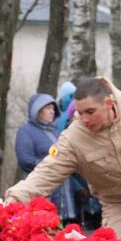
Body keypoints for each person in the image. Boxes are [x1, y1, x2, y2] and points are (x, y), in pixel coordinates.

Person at [5, 77, 121, 241]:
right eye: (79, 113)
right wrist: (14, 199)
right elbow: (47, 172)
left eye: (90, 112)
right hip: (118, 207)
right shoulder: (73, 137)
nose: (84, 119)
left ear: (109, 104)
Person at [14, 93, 81, 226]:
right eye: (48, 108)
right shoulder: (26, 131)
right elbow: (25, 159)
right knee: (46, 226)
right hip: (41, 187)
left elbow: (67, 160)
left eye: (53, 108)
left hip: (65, 190)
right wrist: (51, 167)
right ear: (37, 110)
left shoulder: (56, 132)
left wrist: (78, 188)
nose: (52, 111)